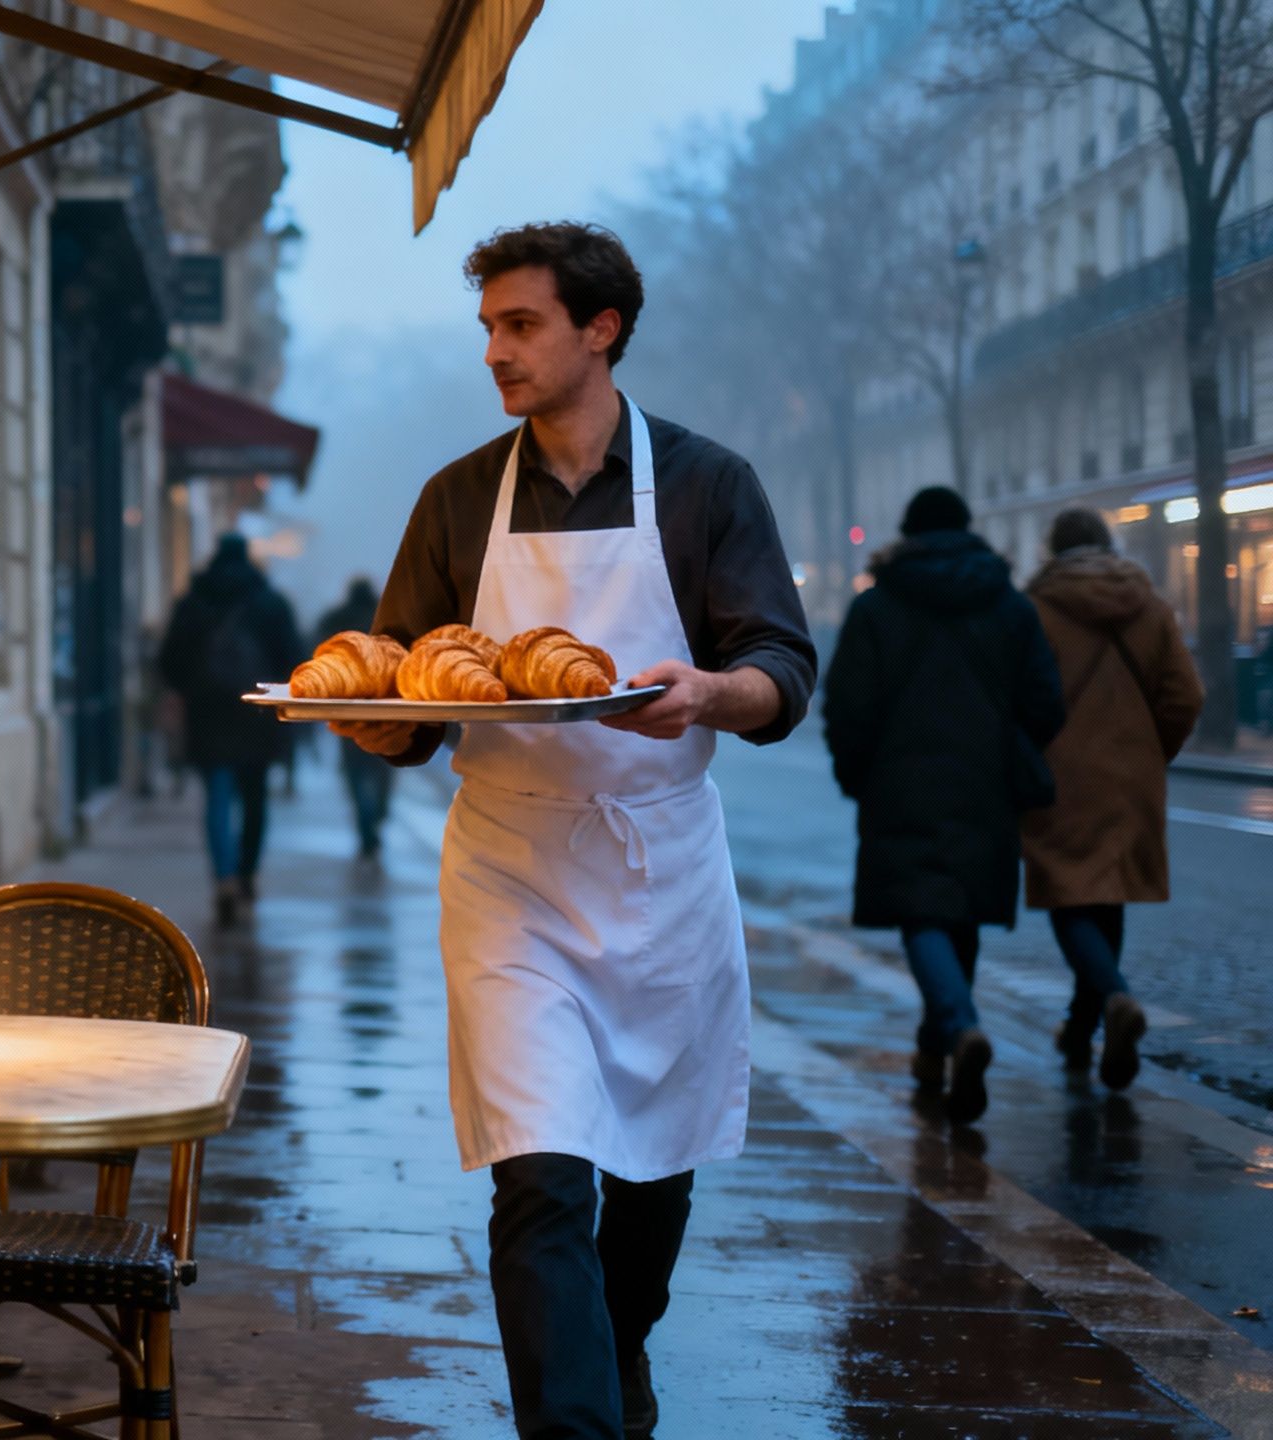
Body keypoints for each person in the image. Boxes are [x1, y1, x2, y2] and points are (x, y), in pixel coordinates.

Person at [340, 223, 818, 1440]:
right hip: (507, 862)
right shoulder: (456, 497)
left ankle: (618, 1343)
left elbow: (780, 666)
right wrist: (363, 720)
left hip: (659, 866)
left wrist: (712, 693)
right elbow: (404, 677)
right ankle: (575, 1426)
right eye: (488, 328)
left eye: (520, 325)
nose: (494, 352)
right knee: (540, 1172)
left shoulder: (708, 485)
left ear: (598, 329)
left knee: (652, 1172)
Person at [822, 486, 1063, 1126]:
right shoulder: (1009, 605)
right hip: (984, 779)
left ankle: (957, 1028)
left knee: (921, 911)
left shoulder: (876, 607)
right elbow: (1046, 701)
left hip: (901, 778)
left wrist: (857, 773)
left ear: (906, 533)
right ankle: (938, 1050)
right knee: (959, 912)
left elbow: (845, 704)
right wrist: (1006, 745)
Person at [1021, 508, 1202, 1088]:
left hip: (1061, 773)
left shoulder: (1037, 609)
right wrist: (1151, 753)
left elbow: (1018, 696)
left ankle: (1114, 1000)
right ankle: (1082, 1025)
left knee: (1069, 898)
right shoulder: (1149, 606)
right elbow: (1185, 696)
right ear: (1108, 543)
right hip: (1131, 776)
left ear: (1053, 547)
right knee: (1109, 895)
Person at [157, 534, 302, 927]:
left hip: (209, 715)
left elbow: (169, 659)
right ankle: (247, 873)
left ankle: (223, 877)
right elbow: (295, 658)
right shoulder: (269, 603)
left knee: (217, 796)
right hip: (257, 714)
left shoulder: (195, 602)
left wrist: (190, 688)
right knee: (255, 799)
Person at [318, 576, 397, 866]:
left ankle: (365, 820)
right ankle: (376, 815)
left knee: (355, 771)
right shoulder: (387, 617)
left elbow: (318, 644)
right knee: (384, 768)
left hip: (349, 710)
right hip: (386, 709)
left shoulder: (338, 619)